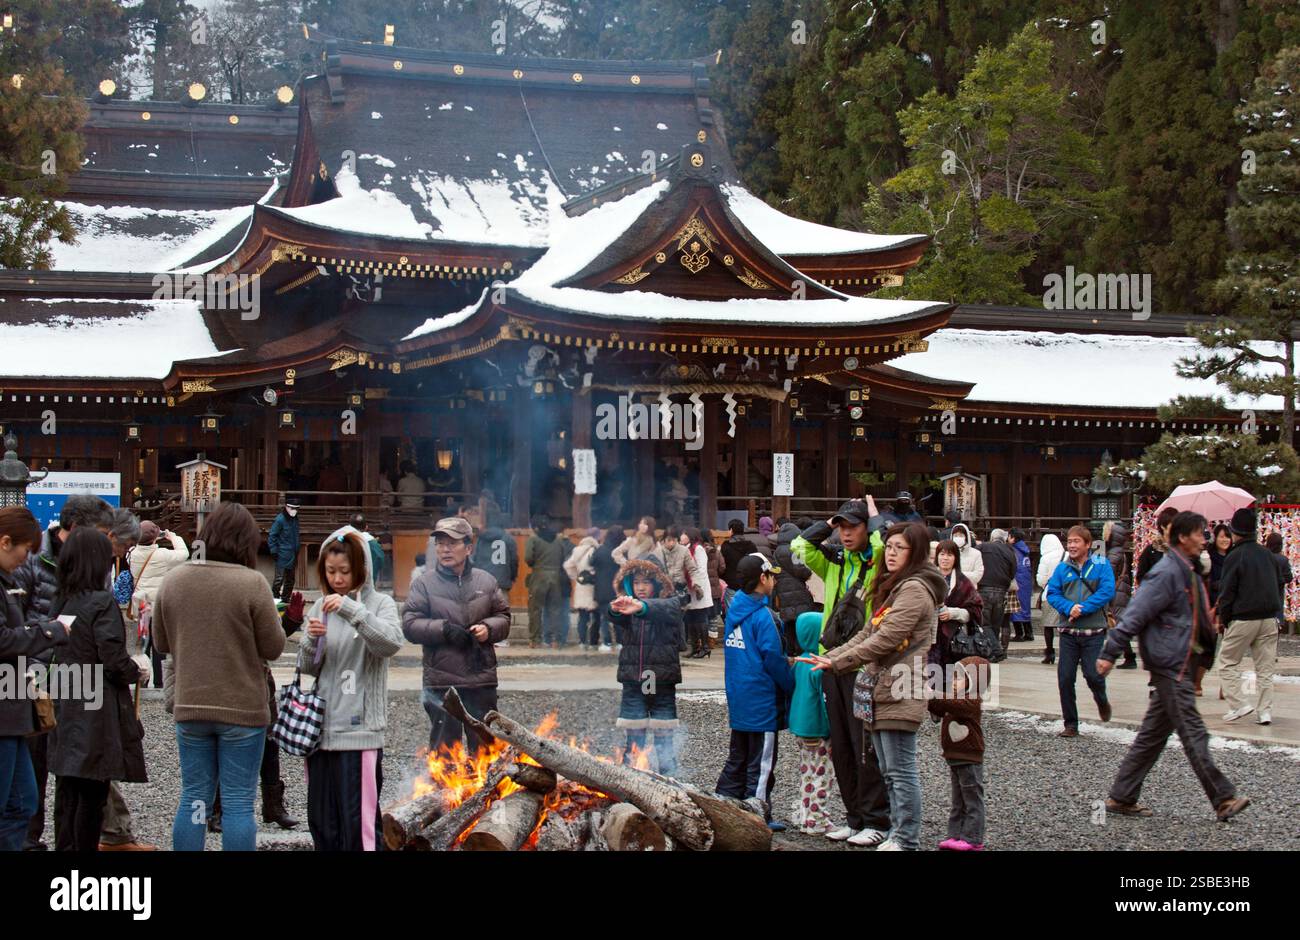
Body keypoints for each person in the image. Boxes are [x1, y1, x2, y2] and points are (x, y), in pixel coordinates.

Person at [799, 523, 945, 851]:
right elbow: (868, 631)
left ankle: (905, 837)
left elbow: (886, 638)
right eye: (889, 546)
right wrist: (829, 658)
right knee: (886, 767)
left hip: (901, 685)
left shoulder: (915, 589)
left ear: (916, 553)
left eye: (899, 548)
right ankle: (890, 829)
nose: (890, 553)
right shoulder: (895, 587)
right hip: (881, 686)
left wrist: (839, 662)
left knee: (899, 769)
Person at [1098, 511, 1250, 822]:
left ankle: (1121, 796)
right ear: (1182, 537)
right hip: (1172, 663)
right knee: (1193, 731)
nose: (1203, 538)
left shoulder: (1187, 571)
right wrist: (1110, 652)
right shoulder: (1167, 572)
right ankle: (1223, 797)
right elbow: (1136, 614)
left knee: (1152, 735)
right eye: (1198, 533)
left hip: (1179, 660)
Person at [152, 502, 286, 851]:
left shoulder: (175, 579)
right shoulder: (252, 584)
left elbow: (160, 642)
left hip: (191, 704)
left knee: (194, 796)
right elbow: (273, 647)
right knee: (239, 802)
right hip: (242, 708)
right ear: (245, 541)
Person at [12, 495, 113, 851]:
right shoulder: (31, 558)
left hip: (77, 677)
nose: (106, 541)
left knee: (70, 764)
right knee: (35, 760)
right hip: (34, 673)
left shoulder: (96, 565)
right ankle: (28, 836)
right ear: (75, 530)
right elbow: (15, 619)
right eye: (101, 532)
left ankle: (65, 842)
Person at [789, 498, 891, 847]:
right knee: (842, 746)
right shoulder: (833, 561)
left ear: (866, 529)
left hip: (862, 663)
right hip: (831, 660)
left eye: (853, 526)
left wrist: (875, 520)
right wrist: (828, 525)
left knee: (864, 746)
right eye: (842, 527)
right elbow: (799, 547)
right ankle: (853, 817)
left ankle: (877, 819)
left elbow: (884, 543)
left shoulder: (878, 561)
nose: (846, 534)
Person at [296, 526, 403, 850]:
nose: (337, 579)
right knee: (322, 824)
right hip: (320, 734)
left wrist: (350, 608)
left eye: (345, 571)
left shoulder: (380, 603)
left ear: (362, 569)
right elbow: (308, 667)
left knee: (358, 827)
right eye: (331, 572)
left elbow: (390, 643)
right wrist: (312, 638)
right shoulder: (319, 607)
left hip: (359, 735)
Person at [46, 527, 149, 852]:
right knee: (92, 794)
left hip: (66, 698)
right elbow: (112, 659)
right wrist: (138, 669)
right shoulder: (102, 602)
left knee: (66, 791)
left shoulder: (60, 598)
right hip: (97, 708)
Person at [403, 517, 511, 757]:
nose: (444, 549)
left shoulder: (486, 581)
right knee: (445, 754)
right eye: (440, 543)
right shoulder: (424, 584)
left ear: (469, 548)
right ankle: (443, 796)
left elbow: (504, 617)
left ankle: (487, 794)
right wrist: (443, 629)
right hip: (442, 681)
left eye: (452, 543)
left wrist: (488, 629)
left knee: (485, 750)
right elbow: (409, 625)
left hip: (480, 677)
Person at [0, 507, 70, 852]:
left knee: (23, 801)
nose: (26, 559)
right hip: (3, 707)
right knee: (11, 802)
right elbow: (3, 639)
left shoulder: (8, 582)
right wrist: (49, 631)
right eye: (25, 550)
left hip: (12, 708)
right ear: (5, 542)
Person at [716, 554, 793, 826]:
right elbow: (773, 657)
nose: (774, 579)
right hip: (762, 698)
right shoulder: (763, 616)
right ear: (763, 578)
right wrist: (791, 682)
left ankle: (724, 802)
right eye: (772, 575)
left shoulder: (734, 607)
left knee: (738, 754)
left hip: (739, 694)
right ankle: (756, 815)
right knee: (761, 764)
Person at [608, 558, 686, 777]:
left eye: (647, 582)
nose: (640, 587)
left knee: (664, 737)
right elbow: (611, 614)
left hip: (661, 680)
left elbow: (669, 608)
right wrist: (615, 610)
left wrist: (642, 607)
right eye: (636, 582)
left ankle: (669, 779)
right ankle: (632, 779)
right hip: (634, 679)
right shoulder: (627, 608)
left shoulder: (670, 604)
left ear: (658, 584)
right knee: (634, 737)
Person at [1045, 525, 1115, 738]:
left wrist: (1083, 608)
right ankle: (1071, 723)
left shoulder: (1101, 564)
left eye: (1076, 541)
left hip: (1094, 630)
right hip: (1068, 631)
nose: (1072, 545)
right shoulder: (1062, 568)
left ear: (1087, 544)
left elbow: (1107, 591)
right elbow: (1052, 593)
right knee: (1065, 677)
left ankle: (1101, 699)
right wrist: (1068, 608)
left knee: (1093, 675)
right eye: (1070, 542)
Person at [1216, 507, 1282, 725]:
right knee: (1265, 669)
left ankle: (1239, 704)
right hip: (1269, 618)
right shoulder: (1267, 554)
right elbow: (1278, 582)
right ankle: (1265, 712)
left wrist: (1223, 619)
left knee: (1227, 662)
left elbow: (1227, 592)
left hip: (1244, 618)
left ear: (1235, 533)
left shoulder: (1235, 556)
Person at [928, 656, 990, 851]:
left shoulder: (972, 700)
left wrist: (934, 694)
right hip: (954, 756)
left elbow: (953, 705)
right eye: (954, 677)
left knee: (972, 798)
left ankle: (973, 838)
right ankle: (955, 834)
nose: (955, 682)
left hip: (969, 756)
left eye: (960, 678)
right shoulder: (953, 699)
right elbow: (938, 705)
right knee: (958, 800)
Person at [788, 610, 839, 835]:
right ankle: (816, 820)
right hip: (819, 728)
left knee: (807, 772)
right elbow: (824, 701)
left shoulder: (799, 662)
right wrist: (835, 728)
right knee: (823, 775)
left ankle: (803, 814)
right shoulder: (818, 666)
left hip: (800, 726)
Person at [929, 539, 984, 669]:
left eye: (949, 555)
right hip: (928, 637)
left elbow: (975, 610)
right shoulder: (928, 578)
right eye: (942, 554)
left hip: (953, 640)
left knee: (948, 680)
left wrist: (953, 613)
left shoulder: (963, 583)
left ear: (956, 558)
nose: (945, 558)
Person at [524, 515, 571, 648]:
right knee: (555, 609)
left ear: (536, 527)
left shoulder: (533, 539)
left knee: (535, 610)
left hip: (538, 576)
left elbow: (528, 558)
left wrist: (536, 564)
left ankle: (535, 640)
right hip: (556, 577)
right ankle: (556, 640)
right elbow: (563, 557)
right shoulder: (558, 540)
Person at [773, 520, 816, 652]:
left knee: (789, 622)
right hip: (797, 590)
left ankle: (790, 650)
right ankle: (800, 649)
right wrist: (809, 573)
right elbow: (800, 570)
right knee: (800, 621)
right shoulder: (794, 549)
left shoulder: (777, 551)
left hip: (783, 589)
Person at [976, 528, 1016, 651]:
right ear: (1004, 539)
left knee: (985, 622)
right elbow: (1013, 571)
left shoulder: (982, 547)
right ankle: (995, 650)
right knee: (996, 623)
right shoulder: (1009, 551)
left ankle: (993, 650)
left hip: (983, 587)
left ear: (992, 538)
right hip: (1001, 590)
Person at [563, 527, 601, 650]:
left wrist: (576, 576)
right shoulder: (596, 550)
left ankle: (582, 641)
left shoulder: (577, 550)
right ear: (597, 536)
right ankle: (593, 642)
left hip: (581, 585)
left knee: (582, 617)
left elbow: (568, 565)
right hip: (594, 585)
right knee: (595, 616)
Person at [1103, 521, 1134, 670]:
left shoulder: (1113, 553)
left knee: (1116, 624)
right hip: (1121, 590)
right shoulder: (1118, 551)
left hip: (1116, 592)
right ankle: (1129, 656)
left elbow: (1108, 574)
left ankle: (1127, 656)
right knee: (1118, 623)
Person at [681, 527, 714, 658]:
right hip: (690, 588)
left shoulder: (698, 549)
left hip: (698, 588)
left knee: (700, 617)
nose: (682, 536)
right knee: (691, 618)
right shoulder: (686, 549)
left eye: (684, 534)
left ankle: (705, 647)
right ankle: (695, 647)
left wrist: (695, 584)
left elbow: (701, 569)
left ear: (690, 535)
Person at [591, 526, 624, 652]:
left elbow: (591, 562)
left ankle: (607, 642)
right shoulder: (621, 552)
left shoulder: (601, 550)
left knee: (605, 617)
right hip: (618, 589)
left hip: (602, 588)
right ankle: (621, 642)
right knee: (619, 617)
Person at [473, 509, 519, 596]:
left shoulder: (480, 539)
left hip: (482, 583)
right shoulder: (508, 539)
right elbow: (514, 561)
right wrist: (512, 577)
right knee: (501, 608)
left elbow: (473, 560)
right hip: (501, 583)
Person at [1036, 532, 1065, 665]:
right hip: (1067, 594)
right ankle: (1066, 652)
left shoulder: (1046, 558)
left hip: (1050, 594)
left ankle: (1050, 652)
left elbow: (1041, 580)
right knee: (1065, 625)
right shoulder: (1067, 555)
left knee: (1048, 625)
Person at [267, 496, 301, 604]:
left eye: (296, 508)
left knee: (290, 580)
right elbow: (272, 536)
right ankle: (275, 600)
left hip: (293, 553)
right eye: (292, 508)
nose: (294, 510)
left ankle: (286, 599)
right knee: (279, 579)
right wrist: (273, 551)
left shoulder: (295, 519)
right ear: (286, 507)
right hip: (282, 553)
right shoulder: (280, 519)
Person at [719, 519, 759, 605]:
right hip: (748, 584)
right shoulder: (751, 545)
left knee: (733, 611)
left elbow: (722, 565)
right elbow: (756, 563)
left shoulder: (725, 546)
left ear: (731, 531)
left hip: (731, 583)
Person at [1008, 528, 1033, 642]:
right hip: (1026, 581)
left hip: (1017, 580)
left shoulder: (1013, 550)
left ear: (1013, 538)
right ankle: (1029, 633)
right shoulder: (1024, 550)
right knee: (1025, 606)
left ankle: (1019, 634)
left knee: (1015, 607)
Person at [1265, 532, 1292, 627]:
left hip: (1263, 595)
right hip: (1277, 595)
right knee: (1276, 622)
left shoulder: (1263, 557)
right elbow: (1289, 578)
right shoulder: (1283, 560)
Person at [947, 523, 983, 587]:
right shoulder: (948, 553)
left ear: (966, 537)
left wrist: (959, 574)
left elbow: (978, 575)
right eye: (955, 535)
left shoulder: (976, 553)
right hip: (951, 590)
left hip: (969, 591)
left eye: (961, 535)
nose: (958, 538)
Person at [659, 524, 690, 591]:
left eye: (674, 540)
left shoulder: (684, 550)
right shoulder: (658, 551)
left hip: (680, 587)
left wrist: (695, 584)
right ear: (664, 539)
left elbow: (692, 569)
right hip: (663, 588)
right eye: (669, 540)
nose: (671, 543)